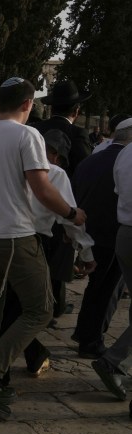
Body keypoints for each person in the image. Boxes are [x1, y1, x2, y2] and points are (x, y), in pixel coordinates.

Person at [0, 77, 87, 419]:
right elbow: (42, 188)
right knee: (41, 308)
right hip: (13, 235)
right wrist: (72, 213)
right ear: (28, 104)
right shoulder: (27, 135)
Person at [70, 118, 132, 358]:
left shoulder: (91, 160)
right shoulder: (122, 160)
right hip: (113, 232)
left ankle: (84, 332)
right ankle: (91, 339)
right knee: (107, 291)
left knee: (96, 286)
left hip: (90, 230)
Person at [90, 136, 132, 419]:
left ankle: (117, 361)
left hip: (125, 234)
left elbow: (119, 190)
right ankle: (115, 359)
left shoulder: (126, 152)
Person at [31, 79, 92, 177]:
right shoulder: (78, 134)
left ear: (51, 109)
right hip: (65, 189)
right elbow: (85, 168)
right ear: (76, 111)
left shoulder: (34, 129)